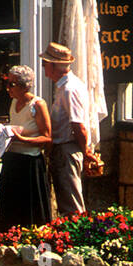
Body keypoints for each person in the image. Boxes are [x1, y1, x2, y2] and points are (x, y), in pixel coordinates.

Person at [40, 41, 97, 217]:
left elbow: (78, 125)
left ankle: (77, 240)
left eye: (45, 64)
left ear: (54, 66)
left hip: (67, 149)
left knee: (71, 204)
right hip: (64, 148)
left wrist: (85, 151)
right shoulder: (66, 86)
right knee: (67, 201)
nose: (43, 68)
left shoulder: (69, 89)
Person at [0, 65, 52, 235]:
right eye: (7, 83)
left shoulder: (38, 105)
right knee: (9, 209)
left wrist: (23, 140)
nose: (8, 88)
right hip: (13, 160)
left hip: (29, 163)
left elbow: (47, 138)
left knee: (30, 212)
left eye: (12, 84)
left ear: (25, 86)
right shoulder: (13, 102)